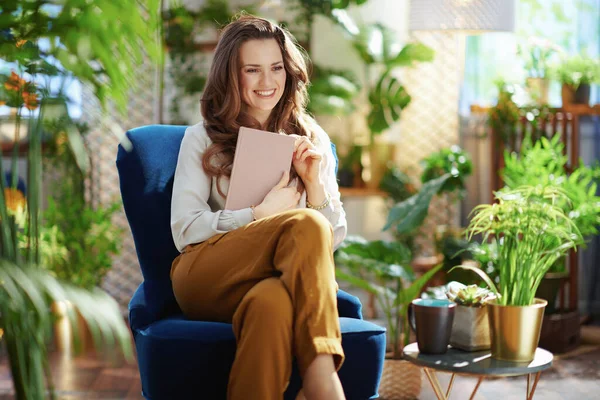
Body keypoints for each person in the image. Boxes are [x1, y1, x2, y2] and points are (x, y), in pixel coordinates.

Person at [170, 13, 348, 400]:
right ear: (231, 76)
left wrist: (314, 185)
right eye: (252, 70)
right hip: (205, 274)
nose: (268, 83)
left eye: (276, 68)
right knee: (305, 225)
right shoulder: (200, 137)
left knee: (273, 304)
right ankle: (322, 376)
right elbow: (184, 230)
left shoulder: (310, 137)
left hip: (274, 280)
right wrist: (257, 216)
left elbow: (329, 244)